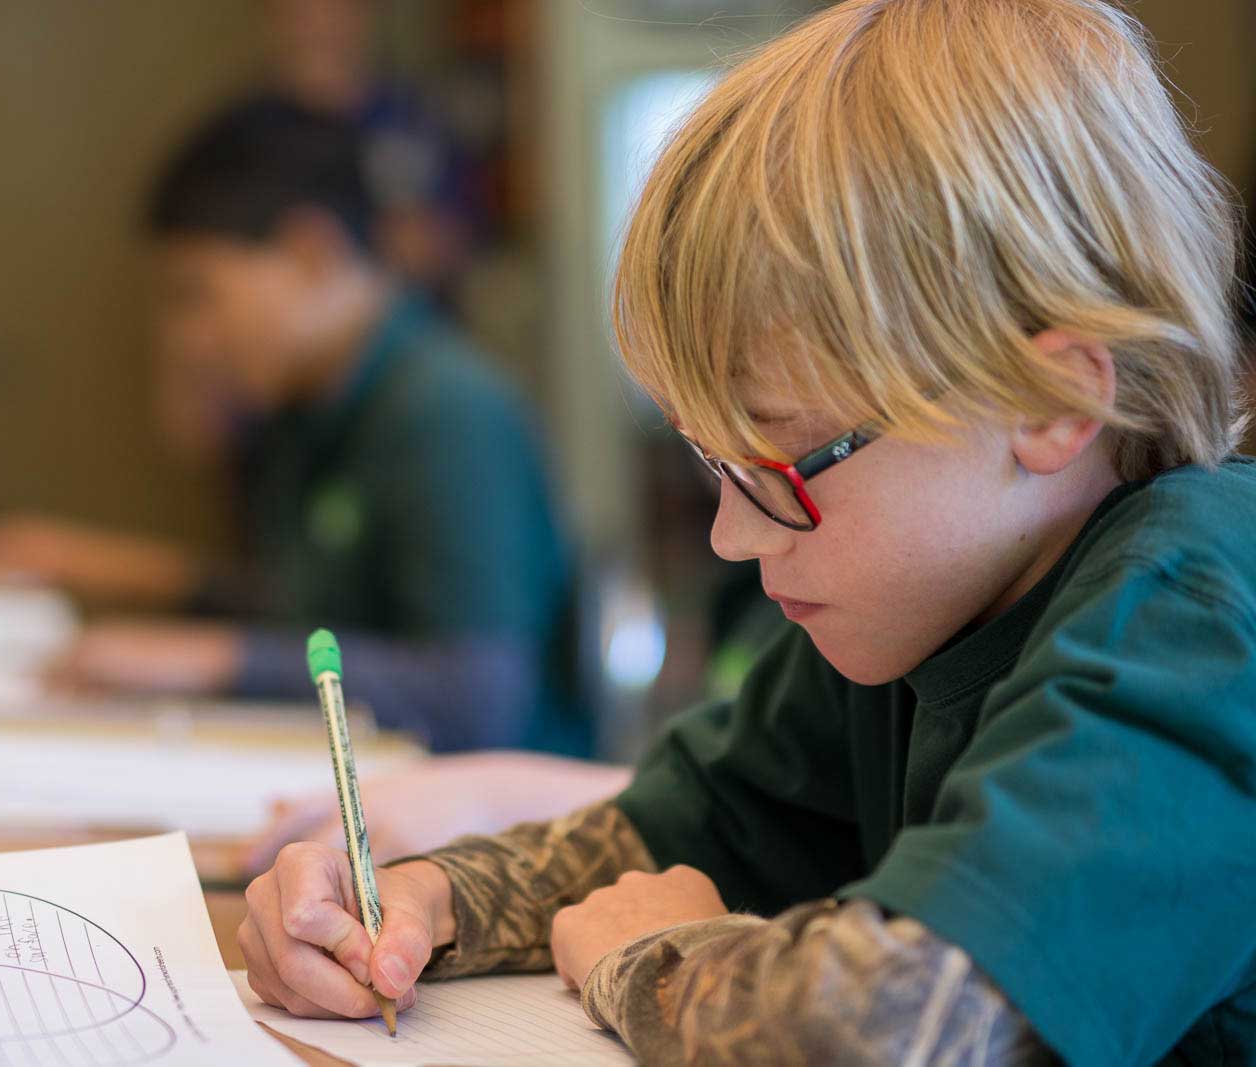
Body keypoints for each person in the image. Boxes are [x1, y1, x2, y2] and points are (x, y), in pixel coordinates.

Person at [236, 1, 1256, 1063]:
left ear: (1048, 401)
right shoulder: (927, 606)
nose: (731, 534)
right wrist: (417, 902)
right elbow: (683, 824)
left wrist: (662, 957)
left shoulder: (1200, 613)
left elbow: (883, 1030)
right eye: (713, 464)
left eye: (778, 460)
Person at [0, 98, 586, 755]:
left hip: (484, 828)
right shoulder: (306, 400)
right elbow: (307, 614)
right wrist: (130, 576)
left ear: (311, 253)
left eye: (196, 293)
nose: (188, 339)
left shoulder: (448, 411)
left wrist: (211, 661)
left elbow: (475, 698)